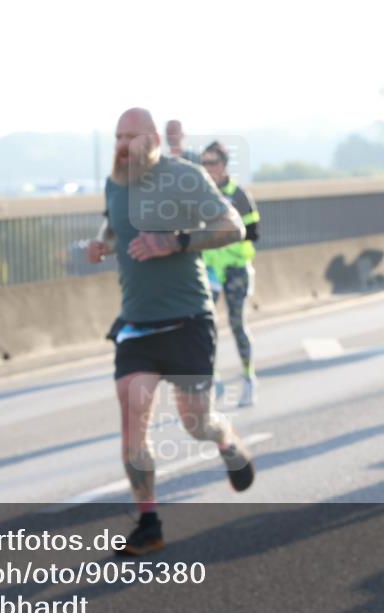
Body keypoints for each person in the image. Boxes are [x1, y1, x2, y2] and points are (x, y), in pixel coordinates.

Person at [87, 108, 255, 556]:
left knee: (196, 421)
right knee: (132, 411)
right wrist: (104, 242)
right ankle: (149, 523)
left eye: (133, 136)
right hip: (137, 323)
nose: (123, 145)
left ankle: (226, 439)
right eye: (118, 136)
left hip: (187, 319)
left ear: (154, 138)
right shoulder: (115, 181)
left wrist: (175, 241)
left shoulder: (184, 177)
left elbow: (232, 227)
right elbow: (112, 217)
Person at [200, 141, 261, 406]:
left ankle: (248, 377)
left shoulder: (238, 194)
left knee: (237, 324)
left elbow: (254, 233)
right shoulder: (199, 194)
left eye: (212, 162)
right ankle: (214, 383)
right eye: (204, 163)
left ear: (223, 165)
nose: (208, 168)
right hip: (211, 270)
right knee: (206, 328)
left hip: (236, 268)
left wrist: (226, 234)